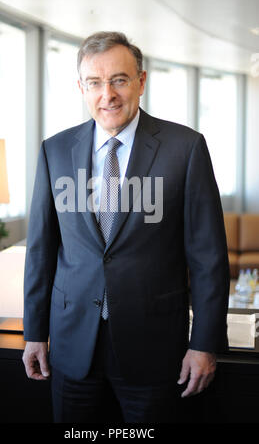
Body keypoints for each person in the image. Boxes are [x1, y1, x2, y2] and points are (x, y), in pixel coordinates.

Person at [22, 31, 230, 423]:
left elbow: (209, 260)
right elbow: (41, 250)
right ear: (81, 87)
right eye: (95, 83)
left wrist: (204, 344)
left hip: (154, 347)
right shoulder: (55, 150)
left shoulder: (185, 149)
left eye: (119, 79)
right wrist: (35, 332)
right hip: (70, 345)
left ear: (141, 81)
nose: (108, 95)